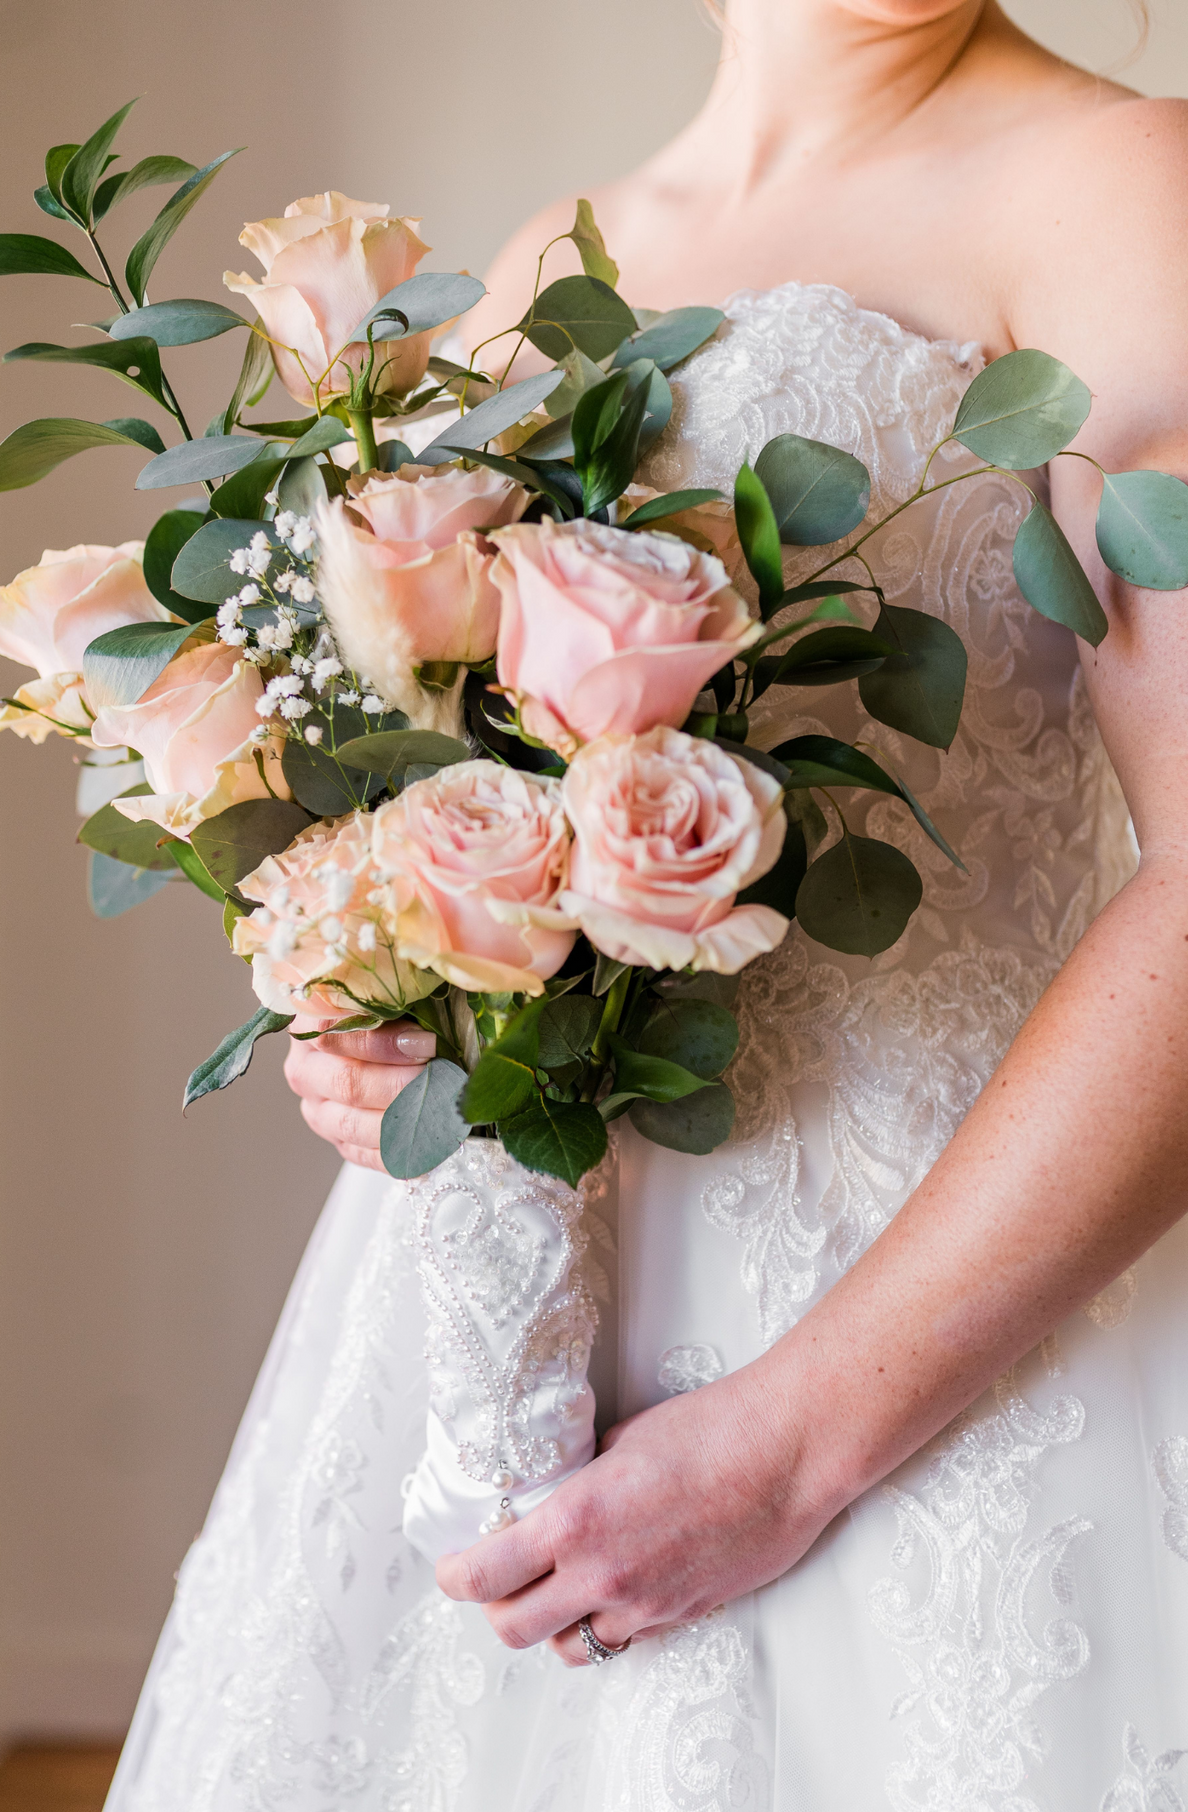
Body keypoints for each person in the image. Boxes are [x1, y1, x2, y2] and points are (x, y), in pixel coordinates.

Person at [108, 3, 1188, 1807]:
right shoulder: (547, 269)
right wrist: (389, 1023)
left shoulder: (1128, 194)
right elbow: (465, 815)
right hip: (506, 1349)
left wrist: (794, 1444)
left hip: (922, 1338)